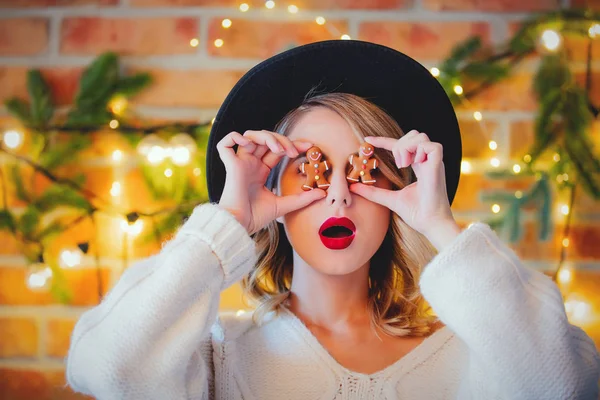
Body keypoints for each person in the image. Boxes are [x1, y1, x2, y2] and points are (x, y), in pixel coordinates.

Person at [65, 40, 600, 399]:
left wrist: (439, 226)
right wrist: (228, 218)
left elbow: (567, 385)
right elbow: (110, 369)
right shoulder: (213, 359)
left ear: (396, 190)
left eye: (363, 172)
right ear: (271, 189)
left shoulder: (476, 356)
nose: (339, 196)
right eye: (312, 171)